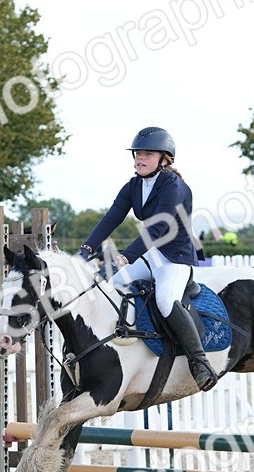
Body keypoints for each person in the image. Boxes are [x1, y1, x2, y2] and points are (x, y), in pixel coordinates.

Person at [76, 126, 218, 391]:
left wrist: (122, 258)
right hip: (152, 256)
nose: (139, 158)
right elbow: (112, 218)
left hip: (176, 259)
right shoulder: (134, 186)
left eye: (147, 154)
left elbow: (157, 229)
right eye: (137, 153)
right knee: (111, 286)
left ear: (165, 159)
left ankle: (199, 362)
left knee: (165, 300)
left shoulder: (174, 186)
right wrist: (85, 249)